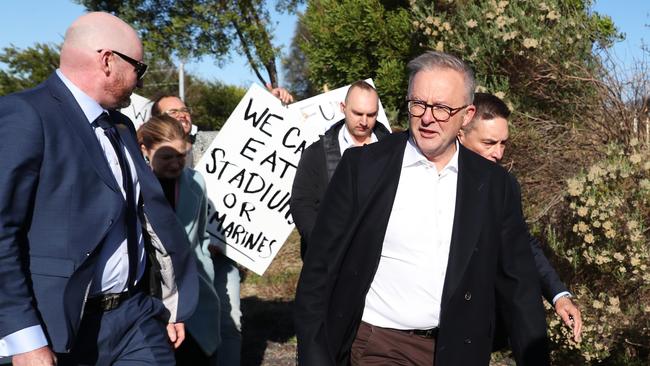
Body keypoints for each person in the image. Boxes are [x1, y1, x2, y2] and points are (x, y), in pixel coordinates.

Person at [294, 51, 549, 365]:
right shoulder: (362, 168)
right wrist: (314, 354)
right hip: (379, 346)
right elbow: (319, 268)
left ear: (467, 115)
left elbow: (519, 285)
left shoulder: (496, 186)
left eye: (442, 108)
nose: (428, 118)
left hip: (460, 349)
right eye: (419, 104)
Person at [0, 12, 197, 366]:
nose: (139, 80)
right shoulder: (26, 114)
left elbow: (148, 216)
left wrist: (172, 300)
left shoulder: (120, 126)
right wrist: (24, 339)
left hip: (136, 319)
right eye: (139, 67)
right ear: (108, 61)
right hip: (61, 331)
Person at [458, 92, 583, 343]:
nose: (498, 154)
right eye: (489, 143)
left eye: (503, 143)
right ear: (460, 133)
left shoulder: (504, 186)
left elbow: (522, 244)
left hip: (476, 331)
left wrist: (559, 295)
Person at [138, 115, 221, 365]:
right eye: (167, 157)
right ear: (145, 149)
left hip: (195, 300)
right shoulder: (133, 186)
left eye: (181, 156)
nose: (176, 164)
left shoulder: (196, 182)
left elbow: (202, 236)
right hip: (149, 301)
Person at [291, 80, 391, 259]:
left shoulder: (393, 150)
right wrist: (322, 244)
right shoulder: (316, 154)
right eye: (357, 113)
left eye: (371, 115)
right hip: (329, 261)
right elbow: (302, 204)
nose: (364, 121)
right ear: (343, 107)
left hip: (382, 259)